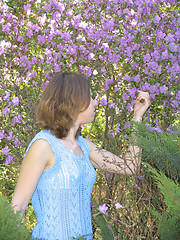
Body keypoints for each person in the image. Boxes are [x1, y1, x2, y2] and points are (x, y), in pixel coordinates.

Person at [11, 72, 151, 240]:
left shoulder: (84, 147)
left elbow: (130, 167)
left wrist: (137, 118)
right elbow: (16, 209)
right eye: (90, 97)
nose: (95, 102)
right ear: (73, 101)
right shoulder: (43, 145)